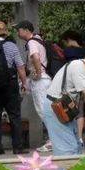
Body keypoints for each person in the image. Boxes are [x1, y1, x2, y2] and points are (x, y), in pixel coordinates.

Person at [0, 21, 28, 155]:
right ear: (5, 32)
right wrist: (24, 83)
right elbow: (20, 67)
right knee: (15, 115)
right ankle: (17, 147)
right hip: (10, 85)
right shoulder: (11, 46)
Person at [15, 20, 51, 152]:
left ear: (25, 30)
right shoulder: (38, 39)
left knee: (43, 110)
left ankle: (52, 140)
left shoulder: (31, 42)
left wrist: (38, 73)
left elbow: (35, 57)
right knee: (22, 88)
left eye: (18, 29)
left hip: (40, 81)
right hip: (42, 80)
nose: (17, 32)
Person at [60, 30, 85, 145]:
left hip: (70, 84)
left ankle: (70, 137)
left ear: (69, 40)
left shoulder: (67, 52)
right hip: (83, 81)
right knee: (80, 110)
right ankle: (80, 137)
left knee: (69, 109)